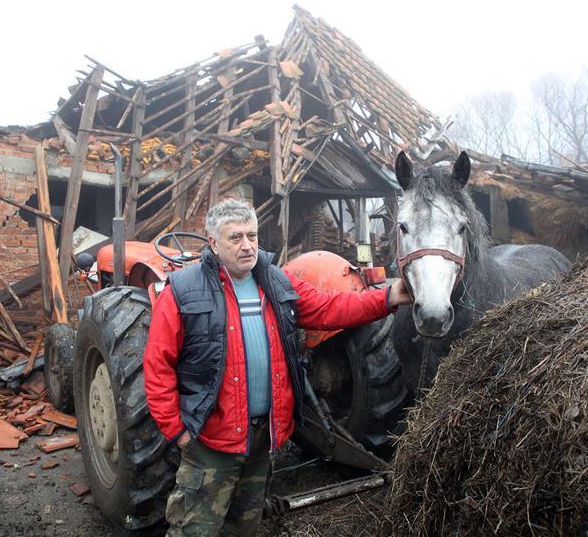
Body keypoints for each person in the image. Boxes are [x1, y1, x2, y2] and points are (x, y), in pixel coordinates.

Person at [144, 198, 411, 536]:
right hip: (212, 442)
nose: (247, 246)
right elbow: (157, 366)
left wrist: (387, 298)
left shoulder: (275, 281)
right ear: (212, 243)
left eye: (252, 236)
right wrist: (177, 431)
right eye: (236, 237)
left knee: (244, 526)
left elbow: (329, 309)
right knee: (195, 530)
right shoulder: (183, 291)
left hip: (262, 439)